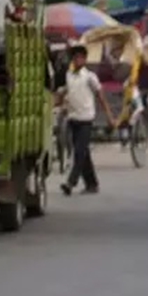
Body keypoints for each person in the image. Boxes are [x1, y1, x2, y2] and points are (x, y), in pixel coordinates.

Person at [57, 45, 116, 195]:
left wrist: (109, 116)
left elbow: (100, 96)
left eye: (81, 58)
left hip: (86, 119)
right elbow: (64, 94)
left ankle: (71, 182)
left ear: (84, 59)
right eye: (75, 58)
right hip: (73, 118)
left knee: (79, 152)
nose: (78, 60)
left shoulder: (89, 76)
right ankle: (92, 184)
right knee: (84, 153)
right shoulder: (69, 75)